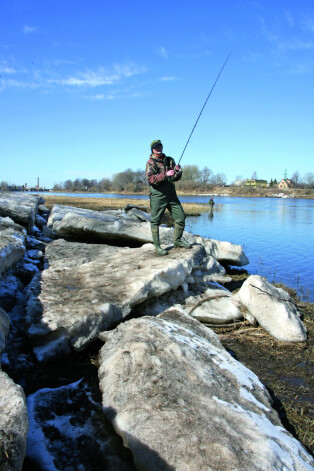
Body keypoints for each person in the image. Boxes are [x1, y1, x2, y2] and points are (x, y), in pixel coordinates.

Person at [146, 140, 190, 255]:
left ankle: (178, 241)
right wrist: (165, 175)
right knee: (155, 221)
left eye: (160, 146)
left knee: (180, 217)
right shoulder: (150, 162)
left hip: (171, 194)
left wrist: (178, 172)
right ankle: (157, 246)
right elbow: (151, 179)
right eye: (156, 147)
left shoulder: (170, 160)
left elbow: (175, 177)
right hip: (158, 196)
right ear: (152, 149)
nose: (158, 148)